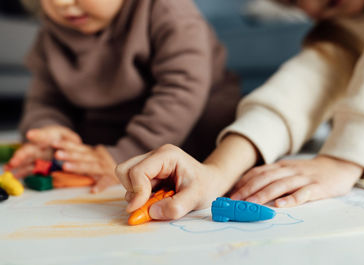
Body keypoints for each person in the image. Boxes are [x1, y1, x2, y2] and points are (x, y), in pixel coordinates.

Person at [116, 0, 364, 220]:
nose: (309, 7)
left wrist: (343, 161)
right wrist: (217, 172)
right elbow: (296, 91)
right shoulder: (344, 27)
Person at [5, 0, 240, 193]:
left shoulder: (168, 10)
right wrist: (50, 132)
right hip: (109, 141)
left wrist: (124, 155)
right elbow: (45, 98)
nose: (62, 3)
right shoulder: (51, 33)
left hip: (194, 135)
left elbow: (181, 90)